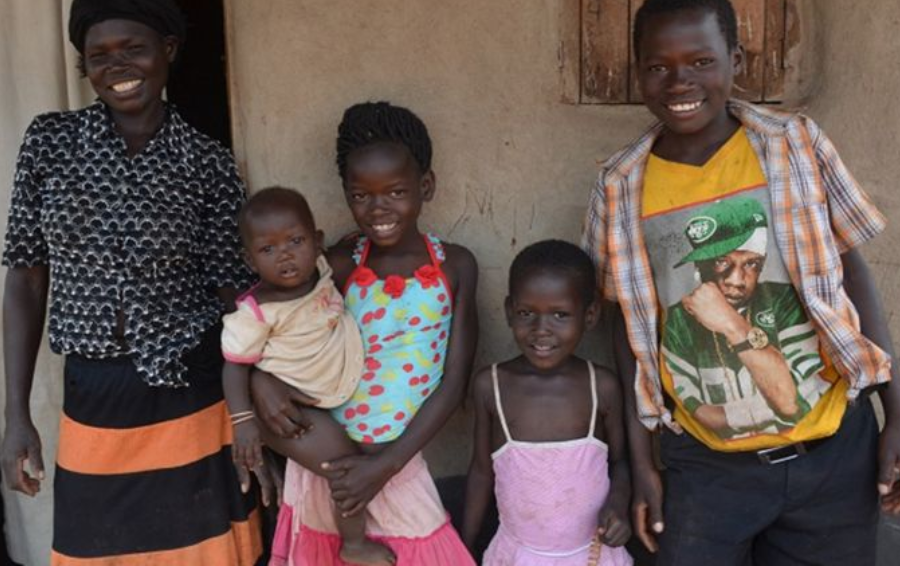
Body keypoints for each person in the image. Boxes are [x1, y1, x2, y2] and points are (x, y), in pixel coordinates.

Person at [582, 0, 900, 566]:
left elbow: (850, 276)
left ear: (736, 60)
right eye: (659, 67)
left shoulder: (794, 146)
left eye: (701, 61)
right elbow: (626, 333)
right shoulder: (621, 186)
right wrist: (644, 465)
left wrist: (896, 414)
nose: (680, 82)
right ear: (637, 72)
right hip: (704, 469)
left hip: (832, 454)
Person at [1, 0, 263, 565]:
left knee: (200, 552)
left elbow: (234, 295)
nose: (118, 66)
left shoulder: (207, 162)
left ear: (168, 49)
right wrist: (16, 415)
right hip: (94, 393)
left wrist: (260, 400)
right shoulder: (50, 143)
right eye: (99, 56)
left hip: (192, 392)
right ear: (84, 67)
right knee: (98, 549)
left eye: (134, 49)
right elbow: (24, 275)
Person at [253, 102, 479, 565]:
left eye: (396, 191)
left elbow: (454, 384)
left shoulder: (454, 266)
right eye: (361, 196)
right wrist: (260, 381)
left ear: (426, 186)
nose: (379, 209)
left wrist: (385, 466)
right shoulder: (337, 264)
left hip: (395, 459)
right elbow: (269, 327)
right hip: (328, 462)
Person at [222, 186, 395, 565]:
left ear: (317, 242)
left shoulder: (321, 271)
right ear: (249, 260)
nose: (285, 255)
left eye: (295, 241)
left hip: (330, 396)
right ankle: (354, 545)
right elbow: (234, 366)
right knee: (345, 467)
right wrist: (243, 420)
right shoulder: (257, 312)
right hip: (293, 409)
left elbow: (355, 248)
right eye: (268, 249)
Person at [462, 240, 633, 565]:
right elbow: (482, 472)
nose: (541, 330)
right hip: (520, 555)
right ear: (509, 311)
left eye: (560, 315)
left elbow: (621, 462)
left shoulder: (602, 386)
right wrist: (465, 547)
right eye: (527, 313)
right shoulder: (491, 385)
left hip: (592, 555)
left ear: (591, 314)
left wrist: (619, 503)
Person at [663, 196, 834, 441]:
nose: (736, 280)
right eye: (722, 262)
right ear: (699, 269)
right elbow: (704, 415)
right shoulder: (680, 319)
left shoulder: (784, 299)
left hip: (815, 449)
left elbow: (789, 404)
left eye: (751, 264)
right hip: (720, 465)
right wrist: (767, 408)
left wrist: (731, 324)